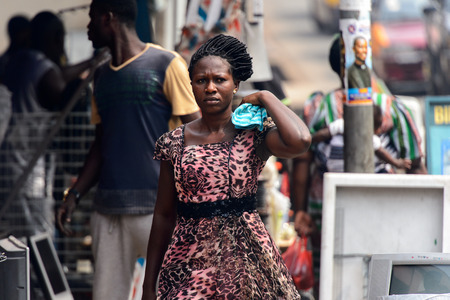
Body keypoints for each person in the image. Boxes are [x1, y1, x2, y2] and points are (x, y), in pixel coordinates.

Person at [141, 34, 311, 299]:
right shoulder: (173, 143)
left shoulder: (253, 133)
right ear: (192, 86)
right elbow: (163, 215)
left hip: (247, 263)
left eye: (219, 80)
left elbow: (301, 140)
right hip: (188, 265)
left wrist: (266, 96)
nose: (210, 88)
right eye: (201, 81)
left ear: (235, 85)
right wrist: (148, 286)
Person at [55, 0, 201, 299]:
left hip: (159, 210)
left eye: (91, 19)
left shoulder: (166, 63)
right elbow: (101, 144)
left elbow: (197, 131)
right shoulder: (101, 77)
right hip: (107, 212)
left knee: (167, 293)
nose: (87, 28)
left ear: (108, 19)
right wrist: (75, 195)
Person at [291, 34, 427, 299]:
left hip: (325, 212)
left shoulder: (319, 107)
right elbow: (416, 166)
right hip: (384, 208)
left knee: (330, 279)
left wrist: (300, 211)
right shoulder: (393, 109)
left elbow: (302, 161)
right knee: (383, 279)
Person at [0, 11, 102, 238]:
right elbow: (59, 83)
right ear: (55, 38)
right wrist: (91, 68)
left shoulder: (19, 60)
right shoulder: (40, 67)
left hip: (13, 162)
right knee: (38, 235)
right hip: (28, 168)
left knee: (16, 236)